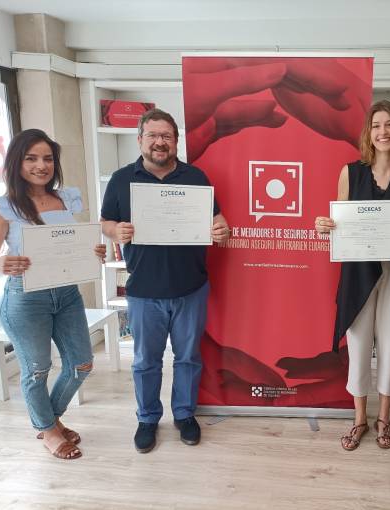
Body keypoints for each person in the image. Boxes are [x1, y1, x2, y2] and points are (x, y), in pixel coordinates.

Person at [100, 108, 230, 453]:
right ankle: (147, 418)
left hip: (191, 288)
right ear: (140, 139)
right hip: (144, 290)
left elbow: (217, 219)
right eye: (153, 135)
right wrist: (116, 230)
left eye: (167, 136)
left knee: (188, 358)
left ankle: (184, 415)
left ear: (176, 141)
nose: (160, 142)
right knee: (146, 361)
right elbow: (105, 221)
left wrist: (222, 228)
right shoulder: (121, 179)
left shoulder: (196, 177)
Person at [0, 129, 106, 460]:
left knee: (81, 364)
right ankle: (49, 430)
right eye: (31, 158)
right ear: (16, 162)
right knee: (37, 369)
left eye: (48, 158)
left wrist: (91, 252)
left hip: (67, 294)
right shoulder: (2, 207)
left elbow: (68, 245)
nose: (41, 165)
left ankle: (49, 419)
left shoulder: (65, 199)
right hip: (26, 297)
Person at [315, 100, 390, 450]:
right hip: (359, 274)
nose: (383, 132)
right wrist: (325, 226)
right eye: (377, 125)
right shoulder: (351, 172)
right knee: (359, 345)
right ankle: (359, 419)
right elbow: (340, 224)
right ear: (369, 133)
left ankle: (384, 419)